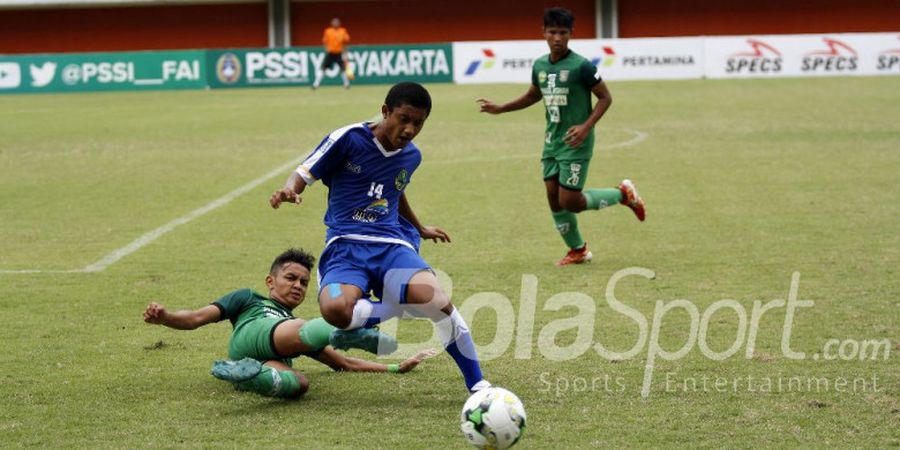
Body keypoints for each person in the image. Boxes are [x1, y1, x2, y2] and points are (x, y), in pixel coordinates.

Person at [270, 82, 491, 393]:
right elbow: (305, 171)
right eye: (404, 119)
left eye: (419, 123)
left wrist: (420, 227)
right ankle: (390, 307)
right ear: (386, 111)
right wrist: (290, 189)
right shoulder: (348, 138)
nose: (410, 129)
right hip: (345, 245)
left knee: (437, 301)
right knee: (334, 310)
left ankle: (478, 384)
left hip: (391, 245)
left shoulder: (412, 156)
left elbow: (393, 190)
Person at [142, 248, 435, 399]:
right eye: (291, 278)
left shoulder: (296, 329)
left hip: (257, 356)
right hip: (253, 333)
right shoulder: (248, 299)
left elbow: (342, 363)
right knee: (305, 330)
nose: (298, 285)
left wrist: (395, 367)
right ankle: (344, 330)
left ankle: (247, 377)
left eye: (304, 282)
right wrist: (165, 317)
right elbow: (194, 318)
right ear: (271, 281)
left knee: (299, 384)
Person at [476, 7, 646, 266]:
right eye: (552, 32)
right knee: (553, 198)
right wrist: (501, 108)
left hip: (576, 142)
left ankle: (623, 194)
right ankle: (577, 250)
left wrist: (586, 127)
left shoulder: (582, 66)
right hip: (552, 142)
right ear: (543, 32)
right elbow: (534, 95)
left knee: (571, 201)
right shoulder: (540, 65)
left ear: (571, 34)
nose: (557, 38)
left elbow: (605, 97)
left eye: (563, 33)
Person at [312, 17, 351, 89]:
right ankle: (316, 84)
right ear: (331, 23)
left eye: (337, 22)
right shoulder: (328, 31)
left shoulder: (343, 31)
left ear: (339, 23)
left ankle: (346, 84)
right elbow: (324, 41)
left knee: (343, 68)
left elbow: (345, 43)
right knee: (323, 68)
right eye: (334, 22)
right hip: (330, 53)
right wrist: (326, 48)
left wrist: (345, 53)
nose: (335, 24)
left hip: (339, 53)